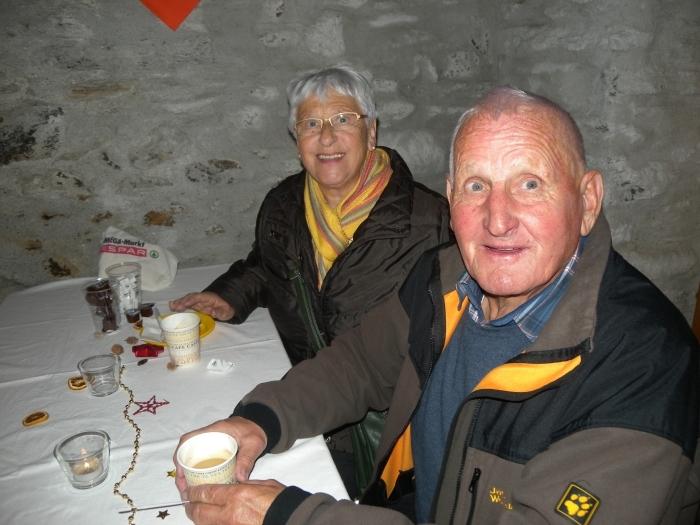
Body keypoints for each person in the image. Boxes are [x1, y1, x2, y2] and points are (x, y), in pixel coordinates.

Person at [173, 87, 700, 525]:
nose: (497, 219)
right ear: (451, 197)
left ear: (587, 200)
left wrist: (293, 517)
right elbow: (359, 364)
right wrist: (260, 420)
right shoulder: (444, 276)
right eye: (476, 185)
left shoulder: (645, 366)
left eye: (530, 184)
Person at [169, 64, 452, 497]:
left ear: (372, 132)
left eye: (343, 119)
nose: (326, 137)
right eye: (311, 124)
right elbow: (267, 265)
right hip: (304, 398)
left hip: (389, 425)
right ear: (296, 140)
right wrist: (229, 295)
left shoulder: (429, 223)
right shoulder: (283, 204)